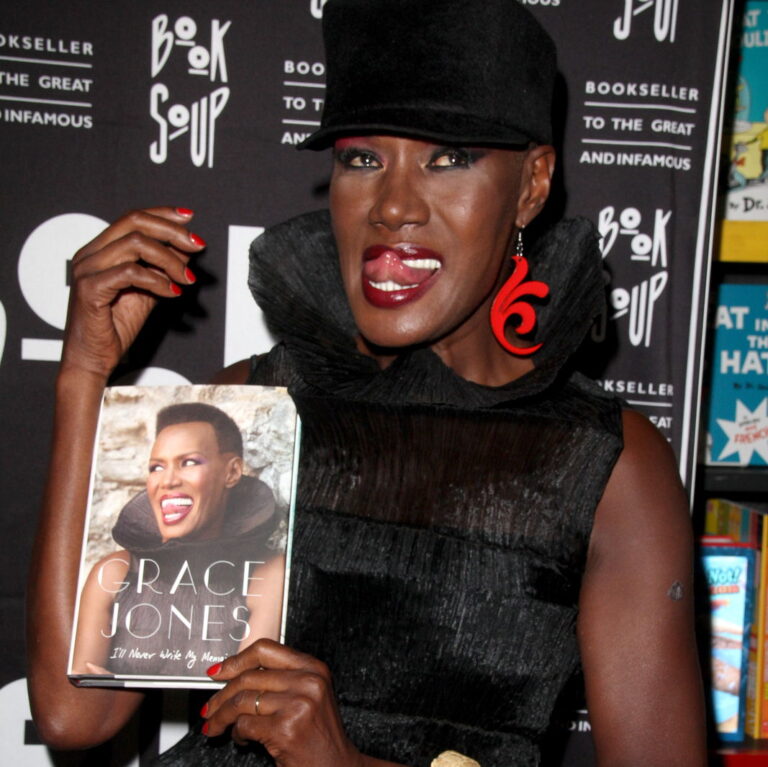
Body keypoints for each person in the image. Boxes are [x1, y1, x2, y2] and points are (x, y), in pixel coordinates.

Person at [27, 0, 707, 765]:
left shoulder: (607, 467)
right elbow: (74, 712)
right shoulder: (254, 411)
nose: (392, 205)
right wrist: (84, 376)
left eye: (449, 158)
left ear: (531, 185)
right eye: (361, 158)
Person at [70, 403, 283, 678]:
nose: (167, 481)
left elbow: (249, 687)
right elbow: (80, 692)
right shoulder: (111, 573)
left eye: (189, 462)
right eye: (156, 467)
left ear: (231, 473)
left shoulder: (268, 573)